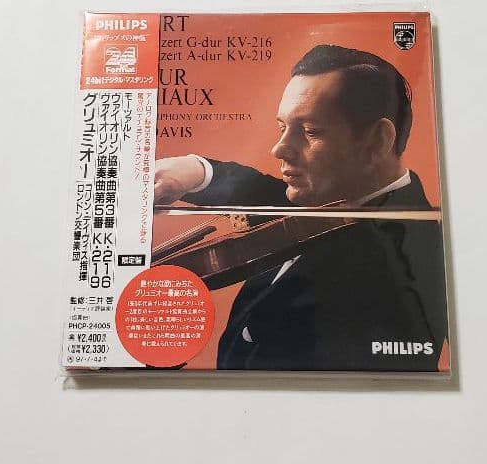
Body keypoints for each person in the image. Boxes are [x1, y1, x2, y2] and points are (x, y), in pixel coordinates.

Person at [154, 45, 448, 371]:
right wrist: (196, 171)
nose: (279, 148)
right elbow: (272, 195)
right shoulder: (342, 200)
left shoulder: (391, 279)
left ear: (377, 141)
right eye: (283, 128)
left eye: (310, 132)